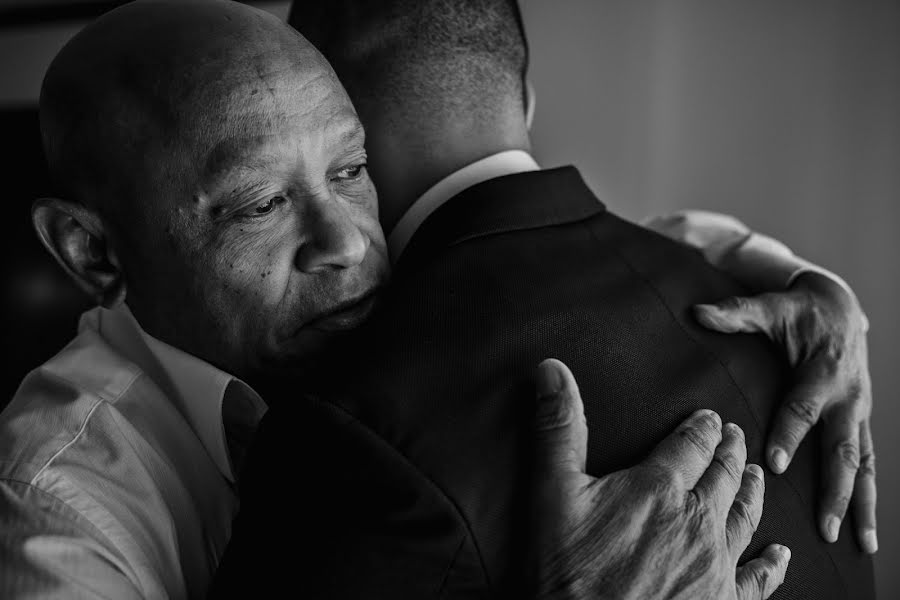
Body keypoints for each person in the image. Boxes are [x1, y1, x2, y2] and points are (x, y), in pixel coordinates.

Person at [0, 0, 864, 598]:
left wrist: (813, 285)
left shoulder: (362, 301)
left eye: (351, 169)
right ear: (92, 252)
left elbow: (552, 239)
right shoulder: (54, 513)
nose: (346, 241)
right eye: (261, 203)